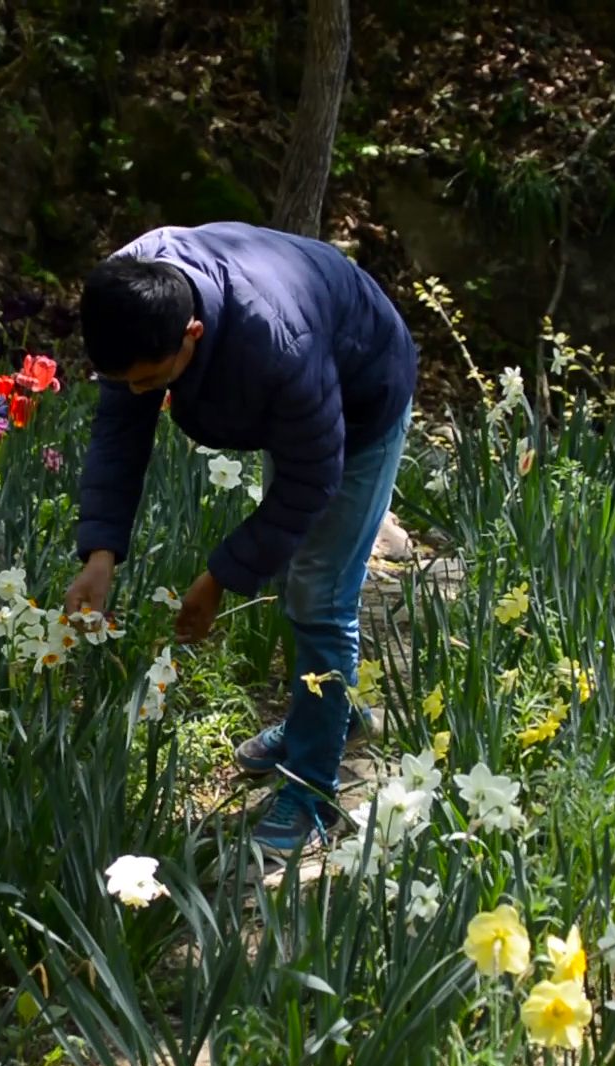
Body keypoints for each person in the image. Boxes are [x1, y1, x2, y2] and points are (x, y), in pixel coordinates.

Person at [63, 221, 419, 855]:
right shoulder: (129, 295)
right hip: (305, 380)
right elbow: (121, 434)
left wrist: (218, 578)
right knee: (298, 572)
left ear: (192, 334)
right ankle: (328, 719)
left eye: (151, 381)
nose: (141, 395)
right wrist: (101, 554)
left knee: (318, 593)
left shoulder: (277, 345)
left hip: (363, 397)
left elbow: (312, 475)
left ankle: (311, 789)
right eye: (127, 381)